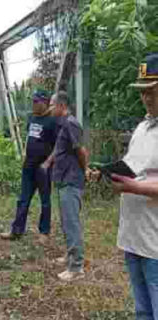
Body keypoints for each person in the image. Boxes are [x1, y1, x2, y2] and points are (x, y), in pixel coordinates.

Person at [90, 53, 158, 319]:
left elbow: (138, 182)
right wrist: (109, 174)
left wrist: (133, 188)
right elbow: (133, 166)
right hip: (133, 236)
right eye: (142, 92)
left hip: (155, 243)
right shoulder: (143, 127)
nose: (146, 97)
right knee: (142, 310)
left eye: (152, 91)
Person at [0, 90, 60, 241]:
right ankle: (16, 230)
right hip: (29, 165)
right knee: (23, 198)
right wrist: (25, 156)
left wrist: (48, 163)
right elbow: (29, 137)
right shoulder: (32, 117)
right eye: (32, 101)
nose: (33, 104)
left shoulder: (52, 121)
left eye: (35, 102)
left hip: (43, 168)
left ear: (44, 102)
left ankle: (44, 232)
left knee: (45, 200)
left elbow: (58, 145)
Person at [49, 91, 89, 281]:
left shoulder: (71, 123)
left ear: (61, 106)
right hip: (64, 178)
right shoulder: (64, 124)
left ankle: (76, 268)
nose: (50, 109)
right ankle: (69, 255)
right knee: (66, 221)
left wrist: (85, 170)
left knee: (71, 223)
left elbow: (81, 151)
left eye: (52, 105)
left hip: (72, 179)